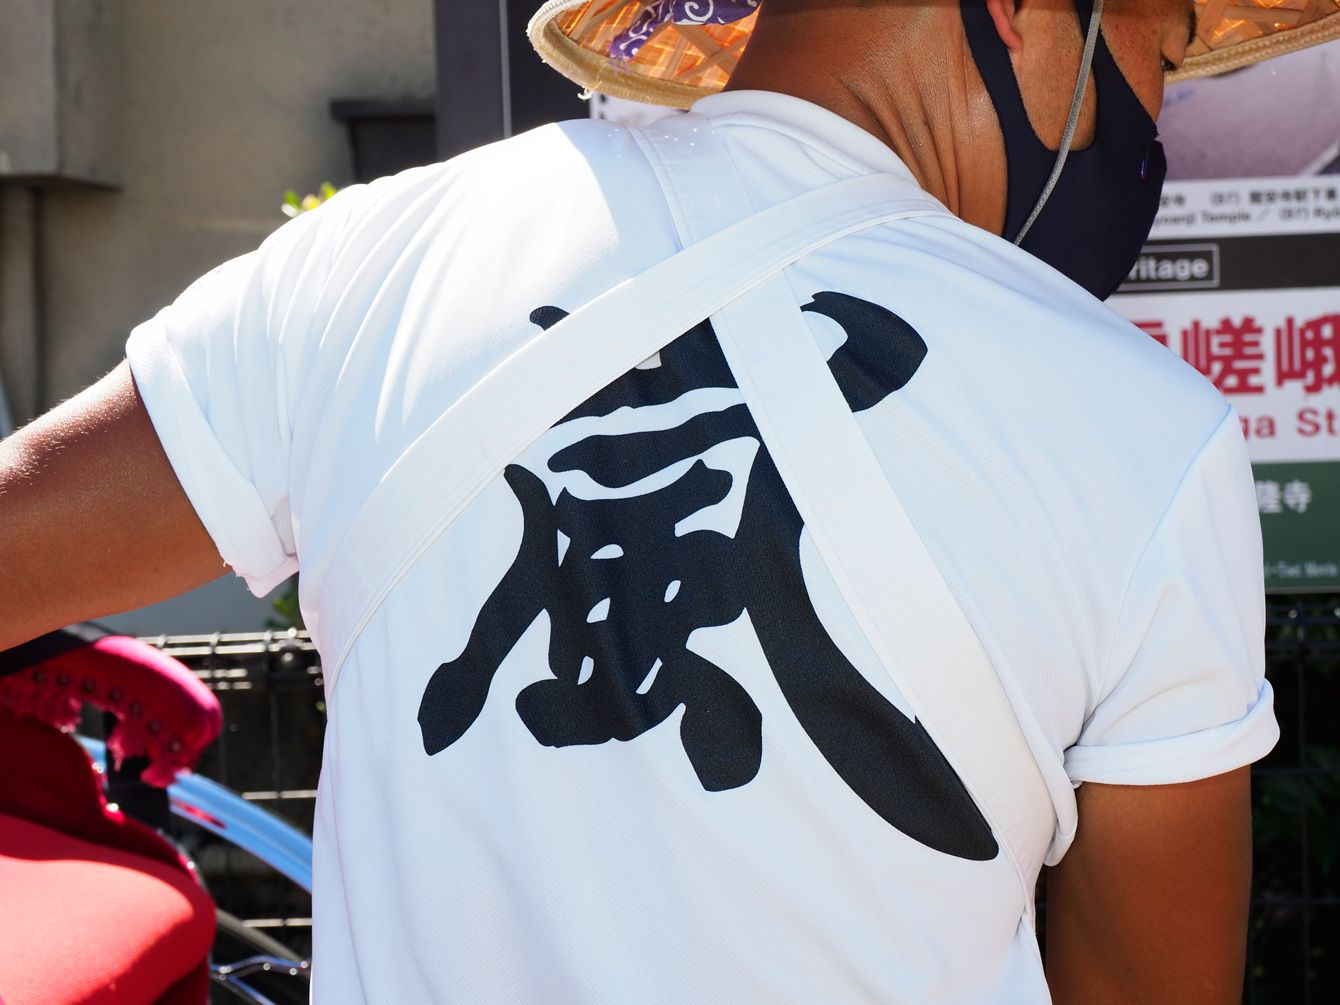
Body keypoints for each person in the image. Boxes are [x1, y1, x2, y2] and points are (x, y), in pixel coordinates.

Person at [3, 0, 1331, 1000]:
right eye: (1156, 55)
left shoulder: (362, 270)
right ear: (1026, 11)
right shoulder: (1140, 430)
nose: (1152, 119)